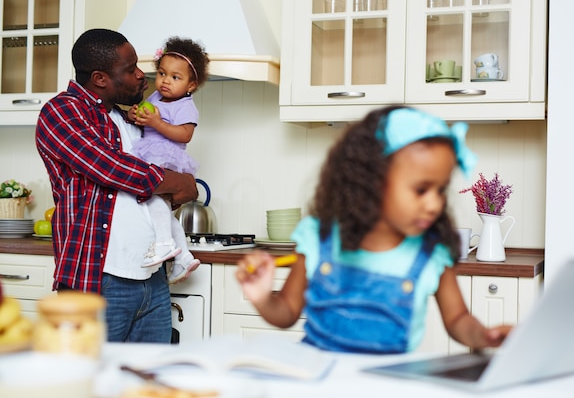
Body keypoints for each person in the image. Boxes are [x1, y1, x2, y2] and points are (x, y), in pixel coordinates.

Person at [236, 105, 512, 354]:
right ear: (371, 182)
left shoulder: (432, 252)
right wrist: (262, 297)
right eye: (421, 190)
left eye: (440, 190)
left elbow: (457, 320)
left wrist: (483, 336)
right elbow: (286, 313)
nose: (434, 204)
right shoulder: (319, 237)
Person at [35, 28, 198, 343]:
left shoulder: (126, 119)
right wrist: (180, 182)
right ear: (100, 78)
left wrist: (177, 186)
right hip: (98, 283)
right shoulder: (62, 112)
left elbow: (157, 182)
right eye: (131, 69)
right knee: (91, 386)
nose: (142, 75)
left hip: (153, 283)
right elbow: (110, 168)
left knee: (146, 385)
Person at [127, 37, 209, 284]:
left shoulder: (186, 105)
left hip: (165, 155)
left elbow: (185, 134)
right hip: (149, 152)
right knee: (158, 205)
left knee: (154, 199)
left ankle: (164, 244)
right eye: (162, 73)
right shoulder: (154, 98)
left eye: (175, 77)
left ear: (191, 84)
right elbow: (144, 117)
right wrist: (135, 115)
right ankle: (183, 255)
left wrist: (157, 123)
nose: (165, 81)